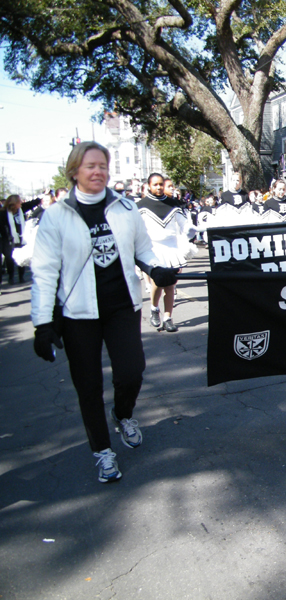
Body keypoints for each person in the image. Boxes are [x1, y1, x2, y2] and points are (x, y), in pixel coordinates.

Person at [30, 141, 178, 483]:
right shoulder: (56, 215)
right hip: (77, 314)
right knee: (88, 386)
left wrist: (157, 270)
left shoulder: (125, 208)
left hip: (121, 307)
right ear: (74, 171)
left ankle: (124, 414)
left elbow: (143, 249)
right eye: (90, 166)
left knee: (131, 372)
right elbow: (45, 272)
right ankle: (103, 452)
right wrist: (43, 324)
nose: (98, 172)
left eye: (102, 166)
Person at [138, 172, 196, 333]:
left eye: (160, 184)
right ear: (149, 186)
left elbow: (183, 223)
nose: (158, 187)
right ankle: (154, 308)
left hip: (172, 248)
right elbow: (137, 229)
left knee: (171, 285)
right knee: (157, 282)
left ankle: (168, 318)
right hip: (154, 249)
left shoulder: (173, 204)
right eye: (155, 184)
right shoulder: (141, 205)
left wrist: (190, 230)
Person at [1, 194, 27, 284]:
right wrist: (7, 235)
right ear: (14, 203)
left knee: (22, 258)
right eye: (19, 201)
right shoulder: (3, 213)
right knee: (10, 259)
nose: (21, 203)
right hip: (9, 239)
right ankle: (11, 277)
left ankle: (21, 277)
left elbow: (31, 204)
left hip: (21, 238)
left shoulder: (21, 210)